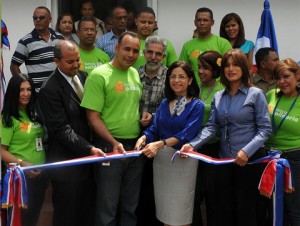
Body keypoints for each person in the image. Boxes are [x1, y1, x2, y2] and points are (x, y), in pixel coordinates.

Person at [181, 49, 271, 226]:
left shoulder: (256, 94)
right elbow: (212, 126)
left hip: (249, 161)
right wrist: (192, 145)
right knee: (225, 209)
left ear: (244, 68)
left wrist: (246, 151)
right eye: (227, 65)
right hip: (225, 161)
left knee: (246, 210)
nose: (231, 68)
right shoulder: (218, 96)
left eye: (236, 64)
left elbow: (265, 130)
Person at [38, 40, 105, 226]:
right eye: (70, 62)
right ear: (56, 61)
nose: (76, 65)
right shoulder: (49, 89)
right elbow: (61, 130)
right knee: (67, 217)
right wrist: (89, 148)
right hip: (67, 168)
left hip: (89, 166)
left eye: (78, 60)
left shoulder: (84, 77)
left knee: (87, 214)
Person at [81, 31, 143, 226]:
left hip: (135, 148)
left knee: (130, 206)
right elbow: (92, 118)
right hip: (109, 147)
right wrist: (113, 142)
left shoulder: (134, 73)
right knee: (107, 207)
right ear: (116, 48)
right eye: (127, 49)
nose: (131, 54)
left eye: (135, 50)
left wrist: (143, 118)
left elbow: (129, 108)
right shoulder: (98, 75)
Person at [135, 61, 204, 226]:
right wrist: (144, 137)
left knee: (181, 212)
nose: (176, 80)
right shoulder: (165, 103)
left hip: (182, 160)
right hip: (162, 162)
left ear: (190, 80)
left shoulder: (196, 105)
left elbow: (186, 134)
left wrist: (159, 144)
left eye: (181, 76)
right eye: (173, 76)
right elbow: (154, 127)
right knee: (165, 211)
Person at [1, 74, 47, 226]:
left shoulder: (34, 112)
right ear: (14, 91)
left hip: (39, 175)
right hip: (20, 178)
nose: (26, 93)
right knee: (22, 221)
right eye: (21, 90)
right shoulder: (8, 118)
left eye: (29, 89)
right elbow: (2, 151)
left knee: (33, 218)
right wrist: (23, 164)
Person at [136, 35, 168, 226]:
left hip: (158, 140)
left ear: (163, 56)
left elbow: (172, 107)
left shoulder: (170, 76)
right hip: (134, 136)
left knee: (155, 187)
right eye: (150, 52)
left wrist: (153, 116)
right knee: (137, 186)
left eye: (158, 54)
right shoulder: (133, 74)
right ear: (144, 53)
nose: (153, 57)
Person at [265, 58, 300, 226]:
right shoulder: (271, 95)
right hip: (270, 159)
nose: (281, 82)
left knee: (294, 209)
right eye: (278, 77)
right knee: (274, 208)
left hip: (295, 160)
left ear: (297, 75)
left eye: (286, 76)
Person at [193, 51, 224, 226]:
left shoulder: (221, 90)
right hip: (193, 148)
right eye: (198, 67)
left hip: (213, 148)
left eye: (205, 68)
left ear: (215, 69)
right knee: (194, 194)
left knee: (213, 196)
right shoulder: (195, 85)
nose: (201, 71)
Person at [10, 6, 64, 92]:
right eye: (35, 18)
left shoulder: (60, 38)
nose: (38, 20)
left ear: (50, 19)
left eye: (41, 17)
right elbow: (14, 66)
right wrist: (23, 85)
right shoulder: (26, 41)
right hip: (38, 94)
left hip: (59, 91)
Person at [179, 7, 232, 85]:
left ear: (212, 22)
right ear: (195, 22)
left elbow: (230, 68)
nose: (202, 23)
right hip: (195, 92)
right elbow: (182, 70)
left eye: (205, 20)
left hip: (218, 91)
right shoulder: (187, 46)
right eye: (199, 20)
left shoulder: (223, 43)